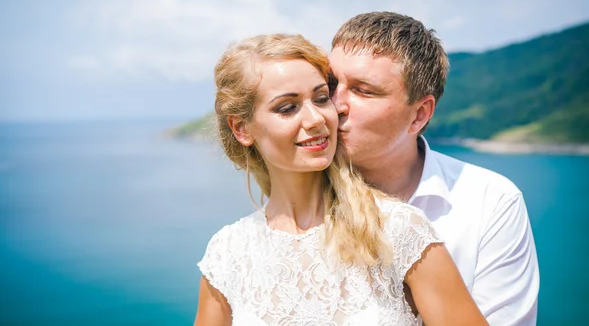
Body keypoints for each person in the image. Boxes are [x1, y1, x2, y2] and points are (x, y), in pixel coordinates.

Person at [194, 34, 487, 325]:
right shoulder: (228, 254)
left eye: (322, 99)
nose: (316, 119)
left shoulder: (399, 230)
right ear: (242, 128)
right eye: (287, 107)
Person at [328, 12, 540, 325]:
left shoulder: (492, 202)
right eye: (331, 83)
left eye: (363, 90)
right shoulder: (298, 193)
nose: (336, 104)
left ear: (419, 115)